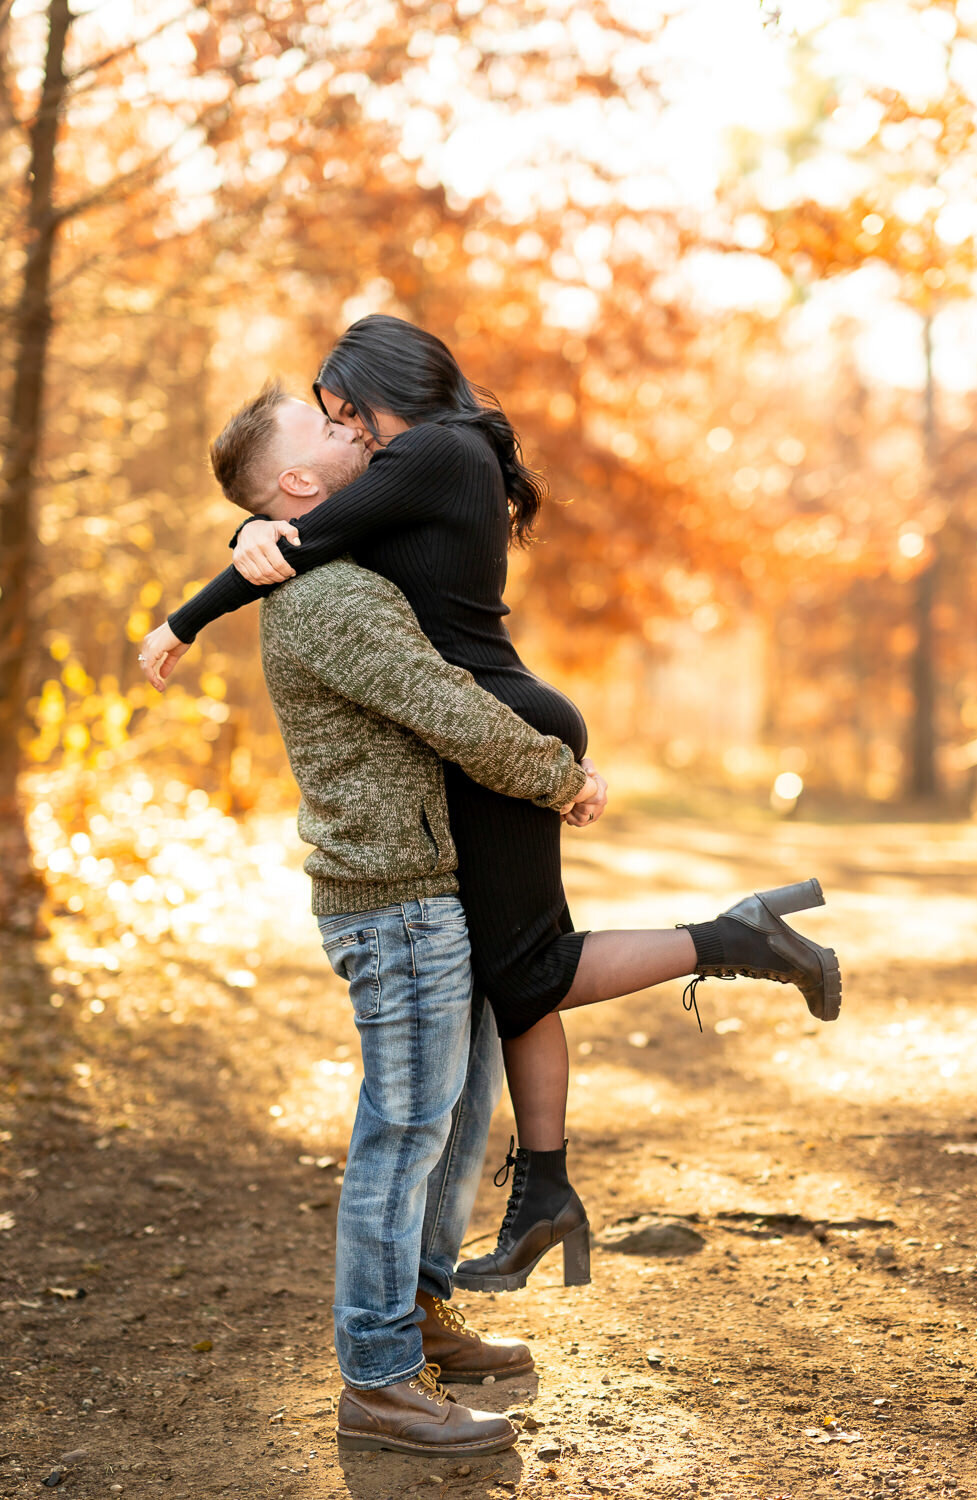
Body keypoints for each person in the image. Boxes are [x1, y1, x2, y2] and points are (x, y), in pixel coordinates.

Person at [139, 314, 841, 1298]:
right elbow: (302, 531)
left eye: (349, 415)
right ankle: (544, 1196)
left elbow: (306, 532)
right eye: (331, 426)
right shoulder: (426, 465)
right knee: (516, 982)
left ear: (389, 393)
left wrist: (185, 618)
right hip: (487, 722)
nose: (353, 437)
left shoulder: (436, 449)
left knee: (532, 970)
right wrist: (250, 531)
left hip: (493, 726)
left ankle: (735, 936)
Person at [148, 381, 600, 1455]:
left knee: (443, 1126)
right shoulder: (328, 597)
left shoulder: (338, 557)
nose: (353, 428)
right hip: (391, 904)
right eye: (327, 428)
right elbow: (443, 707)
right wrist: (556, 775)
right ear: (299, 482)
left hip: (427, 889)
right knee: (401, 1136)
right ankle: (378, 1378)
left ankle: (422, 1316)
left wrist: (251, 537)